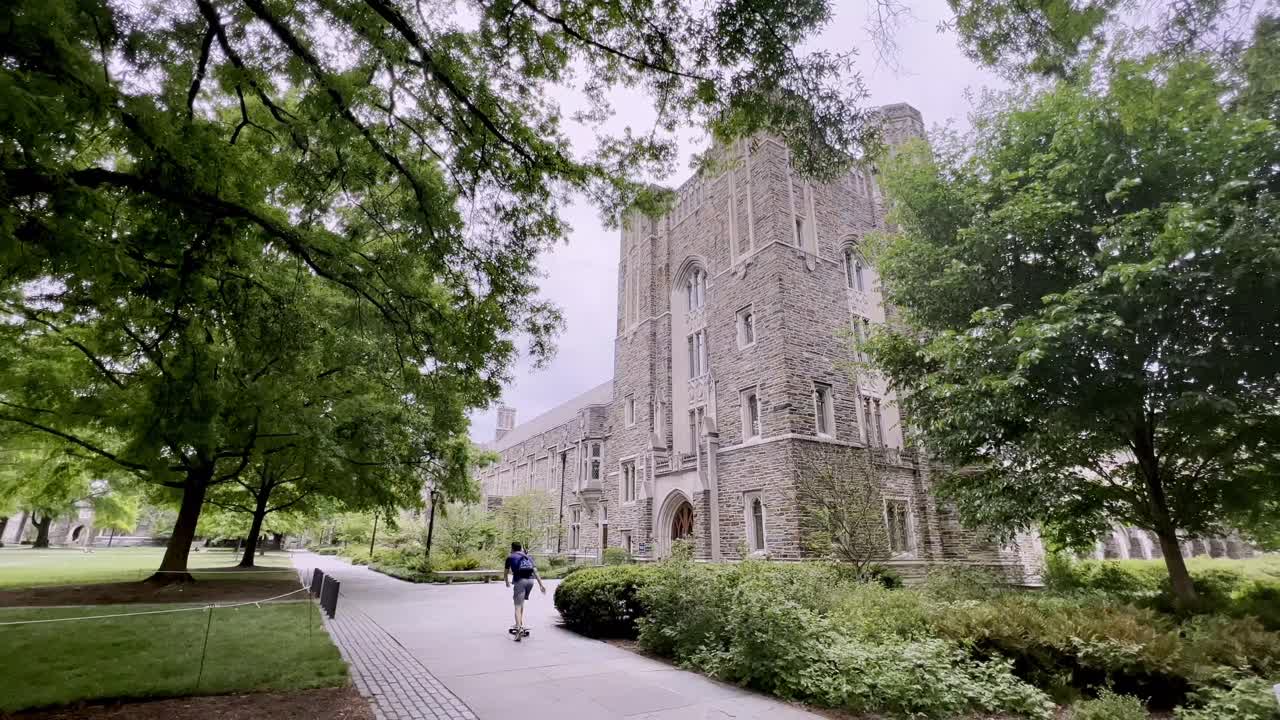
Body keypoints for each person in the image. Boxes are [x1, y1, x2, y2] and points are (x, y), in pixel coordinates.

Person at [503, 541, 545, 640]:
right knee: (521, 604)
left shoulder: (510, 557)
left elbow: (505, 573)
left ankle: (518, 630)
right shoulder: (527, 557)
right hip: (530, 581)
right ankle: (520, 623)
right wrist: (541, 585)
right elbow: (535, 571)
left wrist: (507, 582)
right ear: (521, 548)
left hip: (520, 581)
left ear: (512, 548)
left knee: (517, 606)